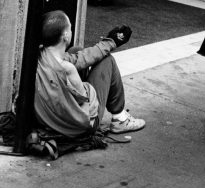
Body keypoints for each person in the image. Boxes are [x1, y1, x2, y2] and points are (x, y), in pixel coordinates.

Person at [34, 10, 146, 138]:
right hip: (81, 126)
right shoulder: (67, 69)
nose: (71, 31)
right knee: (107, 61)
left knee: (77, 50)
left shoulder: (40, 56)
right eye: (70, 28)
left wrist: (110, 42)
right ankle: (120, 118)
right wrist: (89, 87)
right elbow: (88, 106)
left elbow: (79, 58)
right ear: (65, 35)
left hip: (50, 121)